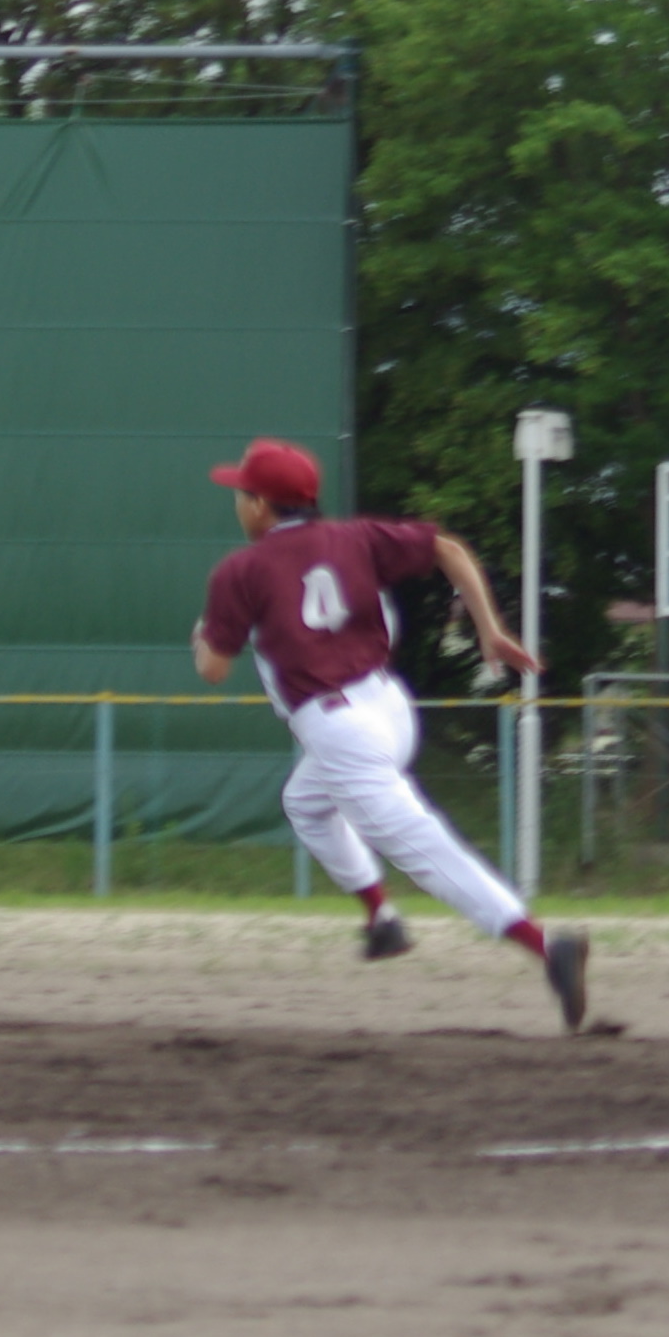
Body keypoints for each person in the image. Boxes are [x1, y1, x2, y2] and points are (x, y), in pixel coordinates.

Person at [192, 437, 589, 1032]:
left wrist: (204, 634)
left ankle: (545, 945)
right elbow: (447, 547)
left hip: (339, 727)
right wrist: (489, 628)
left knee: (426, 851)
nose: (238, 504)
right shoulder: (355, 537)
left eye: (242, 494)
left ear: (260, 506)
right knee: (305, 802)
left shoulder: (241, 570)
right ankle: (381, 921)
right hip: (390, 706)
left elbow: (213, 669)